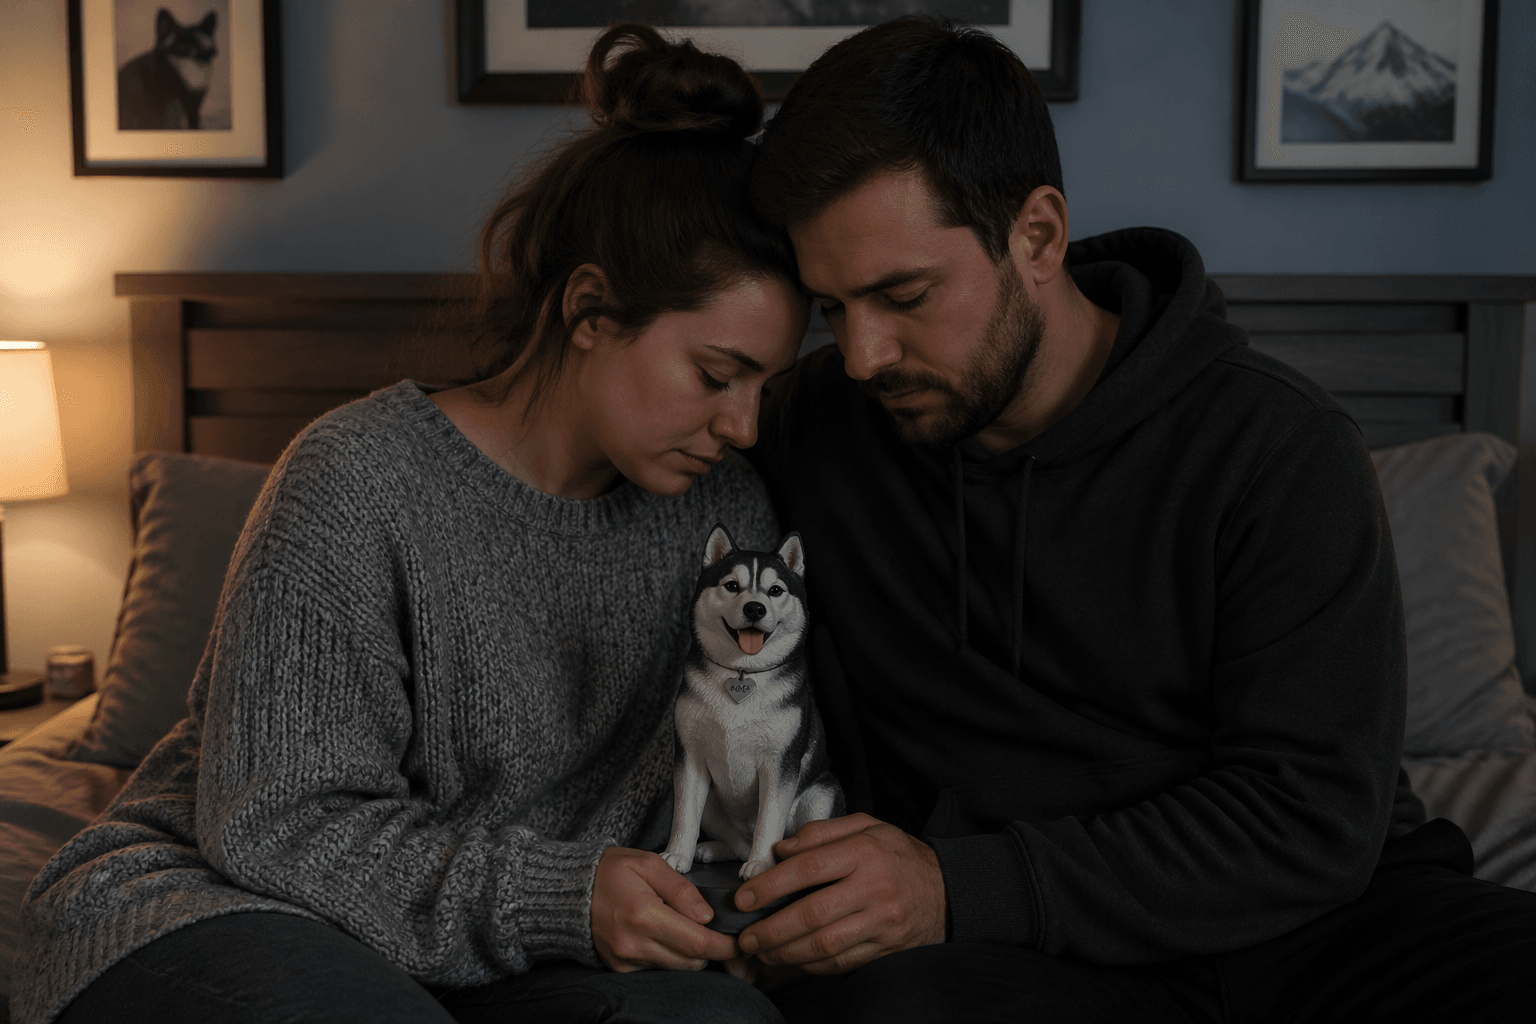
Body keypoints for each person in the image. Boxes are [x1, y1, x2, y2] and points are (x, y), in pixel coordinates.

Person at [723, 17, 1536, 1023]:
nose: (863, 355)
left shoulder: (1276, 447)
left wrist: (951, 885)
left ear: (1038, 235)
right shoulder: (816, 426)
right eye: (831, 308)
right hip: (1030, 956)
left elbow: (1310, 819)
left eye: (903, 295)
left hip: (1322, 922)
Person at [16, 25, 806, 1024]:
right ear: (591, 310)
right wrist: (560, 892)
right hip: (227, 897)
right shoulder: (356, 478)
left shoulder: (727, 512)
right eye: (715, 373)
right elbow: (277, 822)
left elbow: (740, 780)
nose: (742, 425)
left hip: (524, 948)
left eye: (764, 387)